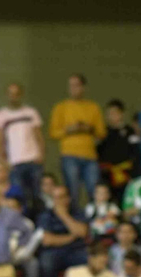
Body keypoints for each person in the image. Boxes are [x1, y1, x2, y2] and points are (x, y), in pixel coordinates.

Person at [50, 74, 107, 205]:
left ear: (83, 87)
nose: (73, 88)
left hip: (90, 156)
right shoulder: (61, 107)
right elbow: (53, 133)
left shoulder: (93, 107)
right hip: (69, 155)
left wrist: (89, 128)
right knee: (72, 192)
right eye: (71, 85)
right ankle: (74, 221)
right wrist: (69, 129)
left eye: (76, 85)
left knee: (94, 191)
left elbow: (102, 133)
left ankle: (97, 222)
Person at [0, 83, 46, 212]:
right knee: (19, 197)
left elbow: (39, 135)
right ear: (7, 95)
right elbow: (0, 140)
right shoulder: (1, 115)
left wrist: (41, 154)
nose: (14, 97)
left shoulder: (31, 112)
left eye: (16, 94)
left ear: (21, 95)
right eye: (11, 94)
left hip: (33, 159)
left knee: (37, 195)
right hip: (14, 162)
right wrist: (3, 161)